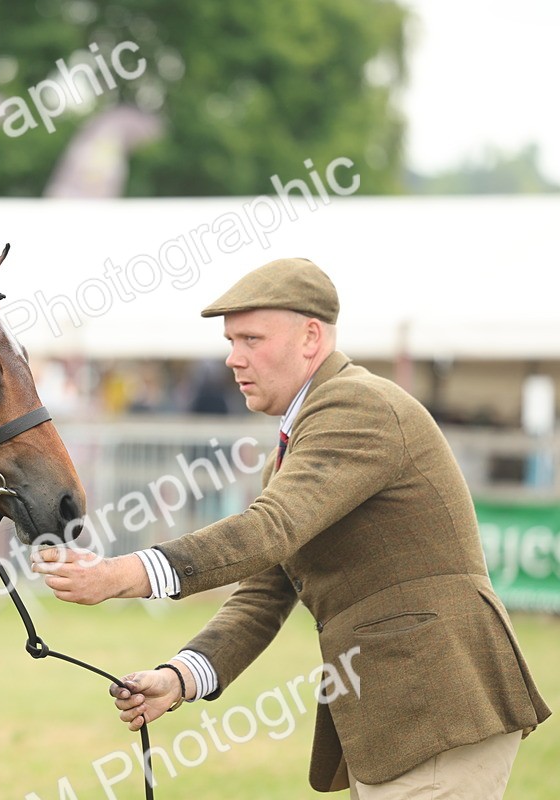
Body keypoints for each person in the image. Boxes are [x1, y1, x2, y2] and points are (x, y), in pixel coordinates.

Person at [31, 258, 550, 797]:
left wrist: (123, 574)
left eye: (252, 338)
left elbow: (268, 530)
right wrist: (180, 677)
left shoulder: (356, 405)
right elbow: (264, 590)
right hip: (409, 711)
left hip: (439, 705)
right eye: (231, 341)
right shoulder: (304, 434)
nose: (233, 358)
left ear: (310, 337)